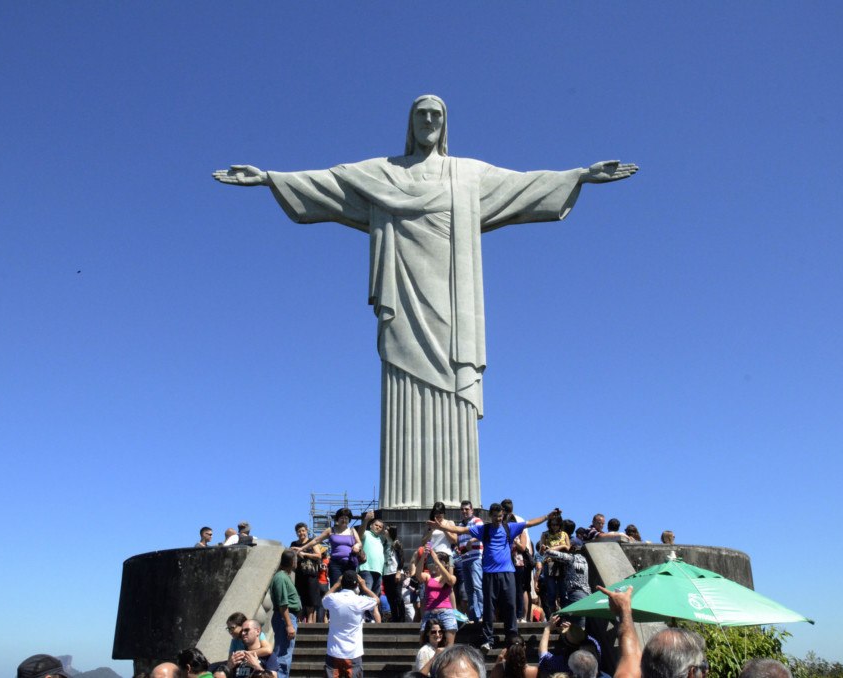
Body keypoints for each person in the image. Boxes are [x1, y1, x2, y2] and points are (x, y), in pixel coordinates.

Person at [213, 95, 637, 510]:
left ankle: (458, 499)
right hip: (402, 292)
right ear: (410, 123)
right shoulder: (383, 173)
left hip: (454, 299)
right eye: (421, 114)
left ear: (445, 123)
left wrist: (580, 175)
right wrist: (270, 177)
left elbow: (524, 184)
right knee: (402, 378)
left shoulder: (467, 174)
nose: (429, 120)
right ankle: (402, 498)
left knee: (455, 380)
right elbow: (330, 181)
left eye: (437, 114)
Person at [430, 504, 561, 651]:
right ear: (490, 516)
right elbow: (460, 530)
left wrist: (547, 517)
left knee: (510, 606)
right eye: (495, 517)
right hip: (489, 573)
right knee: (489, 607)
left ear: (503, 515)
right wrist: (441, 527)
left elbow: (530, 523)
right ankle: (487, 639)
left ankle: (512, 638)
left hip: (507, 573)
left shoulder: (509, 528)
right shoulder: (484, 529)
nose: (498, 519)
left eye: (500, 516)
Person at [322, 570, 381, 678]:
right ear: (356, 585)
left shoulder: (333, 599)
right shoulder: (359, 600)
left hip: (334, 651)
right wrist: (365, 587)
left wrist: (336, 584)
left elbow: (324, 600)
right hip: (353, 653)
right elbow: (376, 600)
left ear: (342, 583)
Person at [293, 507, 363, 586]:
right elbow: (316, 540)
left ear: (349, 520)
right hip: (335, 563)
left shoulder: (352, 530)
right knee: (336, 586)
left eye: (346, 518)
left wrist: (357, 545)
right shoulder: (330, 530)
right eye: (342, 518)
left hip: (349, 563)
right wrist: (302, 548)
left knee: (350, 586)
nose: (344, 520)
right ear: (338, 519)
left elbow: (359, 543)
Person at [266, 549, 301, 678]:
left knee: (285, 654)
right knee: (283, 656)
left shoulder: (284, 576)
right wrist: (289, 625)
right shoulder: (280, 578)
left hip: (287, 618)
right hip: (284, 618)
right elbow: (282, 604)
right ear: (293, 562)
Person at [420, 551, 458, 646]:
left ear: (446, 564)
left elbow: (450, 580)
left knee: (448, 646)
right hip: (430, 613)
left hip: (446, 613)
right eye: (436, 561)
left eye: (441, 561)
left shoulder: (452, 577)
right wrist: (423, 556)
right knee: (423, 643)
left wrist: (437, 561)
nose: (437, 563)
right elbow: (417, 574)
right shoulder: (429, 576)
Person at [456, 500, 484, 624]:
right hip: (465, 559)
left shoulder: (477, 521)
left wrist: (471, 540)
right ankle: (474, 616)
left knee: (478, 587)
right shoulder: (460, 526)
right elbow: (460, 542)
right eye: (462, 509)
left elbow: (483, 533)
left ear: (472, 510)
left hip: (476, 558)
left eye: (467, 509)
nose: (464, 511)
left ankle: (483, 613)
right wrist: (458, 548)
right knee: (469, 589)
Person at [537, 515, 570, 616]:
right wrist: (543, 548)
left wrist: (555, 548)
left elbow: (568, 547)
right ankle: (553, 616)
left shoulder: (564, 534)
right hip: (549, 563)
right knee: (551, 592)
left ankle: (564, 616)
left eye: (557, 525)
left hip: (562, 563)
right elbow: (540, 553)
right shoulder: (545, 534)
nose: (554, 527)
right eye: (552, 525)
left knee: (563, 592)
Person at [290, 522, 323, 622]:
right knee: (300, 597)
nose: (301, 533)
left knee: (311, 598)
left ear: (307, 532)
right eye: (299, 531)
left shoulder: (311, 542)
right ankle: (299, 619)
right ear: (296, 533)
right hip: (299, 574)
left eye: (303, 531)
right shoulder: (294, 544)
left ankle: (309, 620)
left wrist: (304, 554)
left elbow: (319, 555)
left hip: (311, 573)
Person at [358, 510, 386, 620]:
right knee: (365, 594)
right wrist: (366, 519)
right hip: (366, 569)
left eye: (380, 527)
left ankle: (370, 618)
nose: (378, 527)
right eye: (376, 525)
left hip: (378, 572)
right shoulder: (367, 534)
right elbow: (360, 533)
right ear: (371, 526)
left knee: (374, 597)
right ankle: (362, 618)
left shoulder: (379, 540)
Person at [382, 525, 406, 622]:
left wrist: (399, 571)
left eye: (387, 530)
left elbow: (401, 558)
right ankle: (395, 618)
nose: (385, 531)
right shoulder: (385, 544)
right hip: (386, 573)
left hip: (395, 572)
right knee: (390, 597)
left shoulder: (396, 543)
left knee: (398, 596)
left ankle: (402, 619)